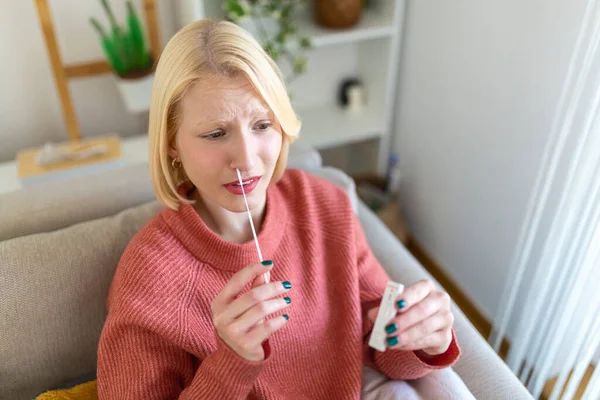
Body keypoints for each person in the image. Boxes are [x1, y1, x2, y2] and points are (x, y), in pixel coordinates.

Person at [96, 19, 462, 399]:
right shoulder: (149, 276)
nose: (246, 159)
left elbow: (381, 347)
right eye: (216, 133)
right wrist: (231, 363)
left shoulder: (326, 206)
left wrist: (424, 337)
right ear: (171, 142)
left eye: (262, 124)